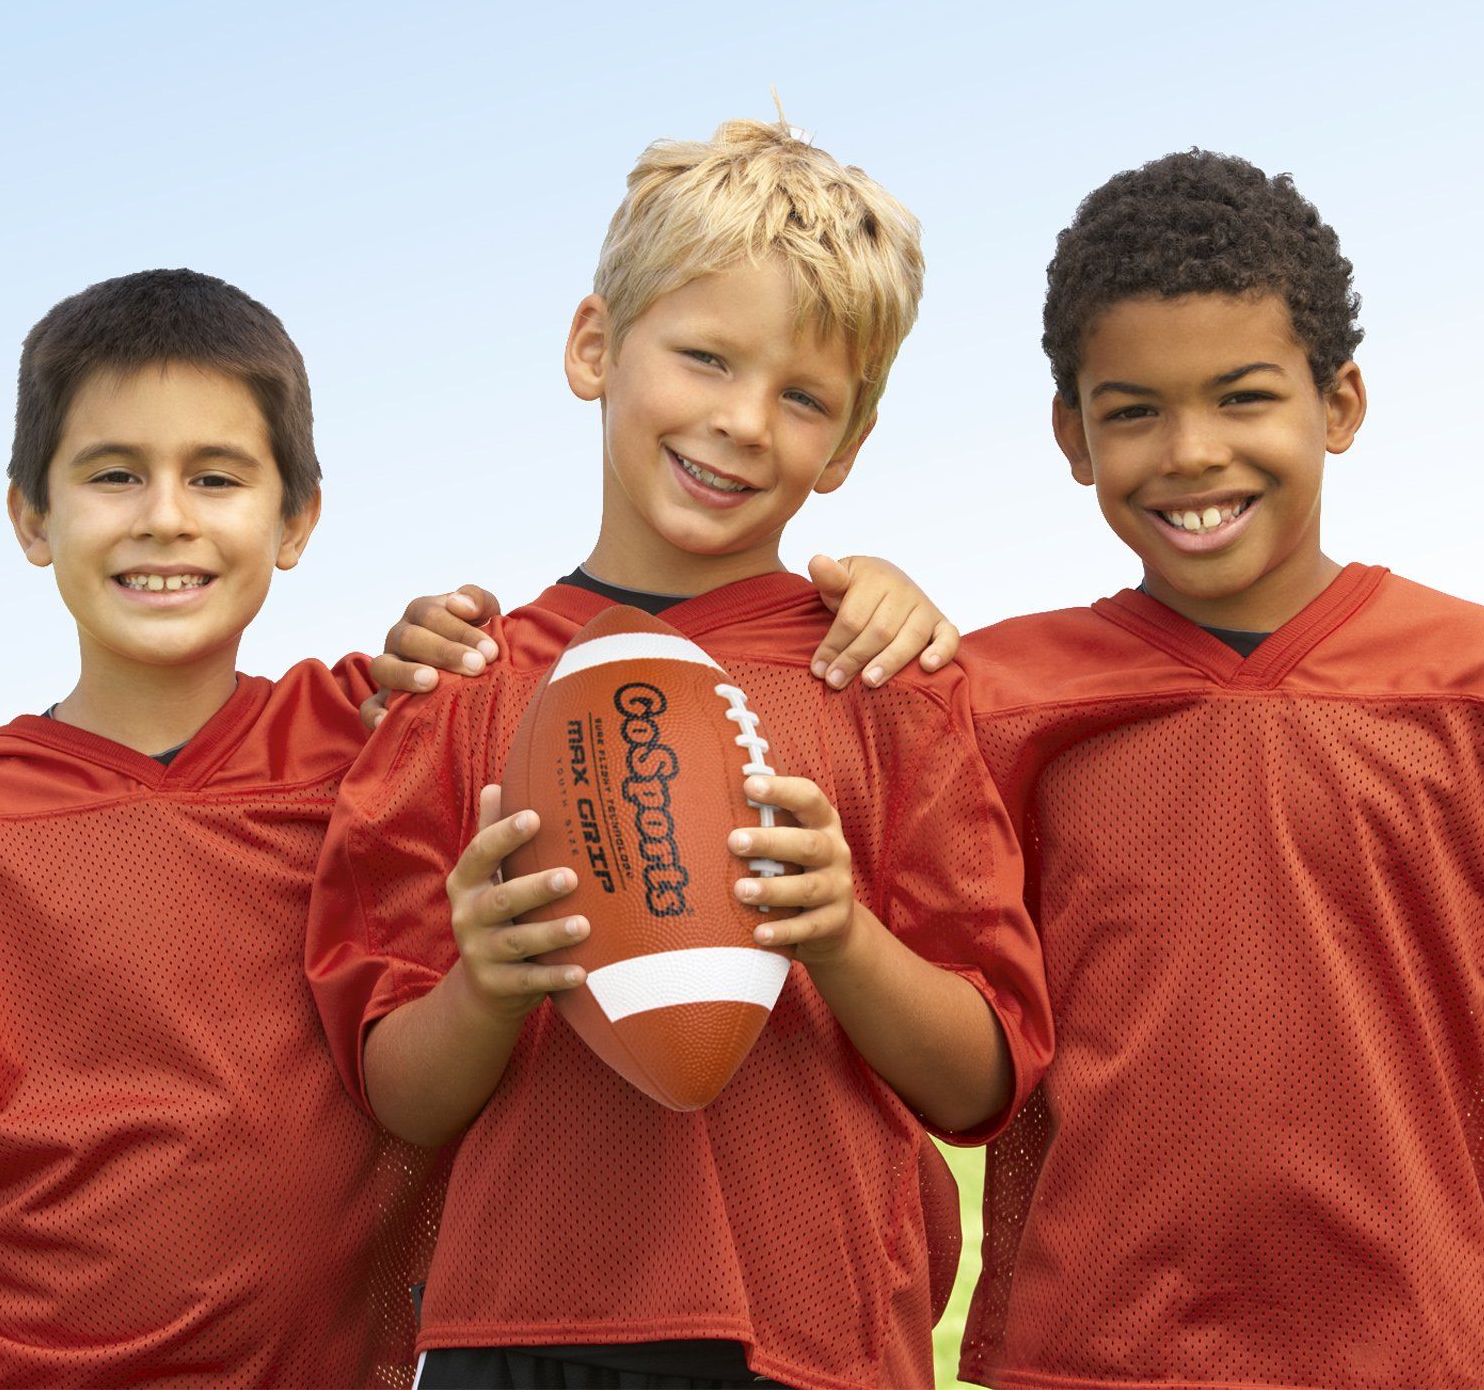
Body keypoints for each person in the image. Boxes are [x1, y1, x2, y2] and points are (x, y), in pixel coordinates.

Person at [0, 265, 959, 1390]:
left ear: (297, 517)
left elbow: (592, 705)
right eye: (114, 474)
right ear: (29, 515)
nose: (165, 518)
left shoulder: (387, 727)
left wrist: (879, 596)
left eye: (216, 478)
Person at [307, 118, 1053, 1390]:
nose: (742, 421)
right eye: (704, 356)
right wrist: (485, 982)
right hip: (513, 1336)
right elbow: (397, 1093)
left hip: (813, 1335)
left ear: (850, 441)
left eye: (802, 394)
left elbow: (983, 1079)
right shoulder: (464, 682)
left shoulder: (880, 677)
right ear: (595, 346)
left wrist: (842, 933)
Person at [957, 150, 1484, 1390]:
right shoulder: (988, 695)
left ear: (1336, 403)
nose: (1189, 451)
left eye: (1242, 396)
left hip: (1404, 1356)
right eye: (1131, 408)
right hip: (1084, 1359)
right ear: (1070, 435)